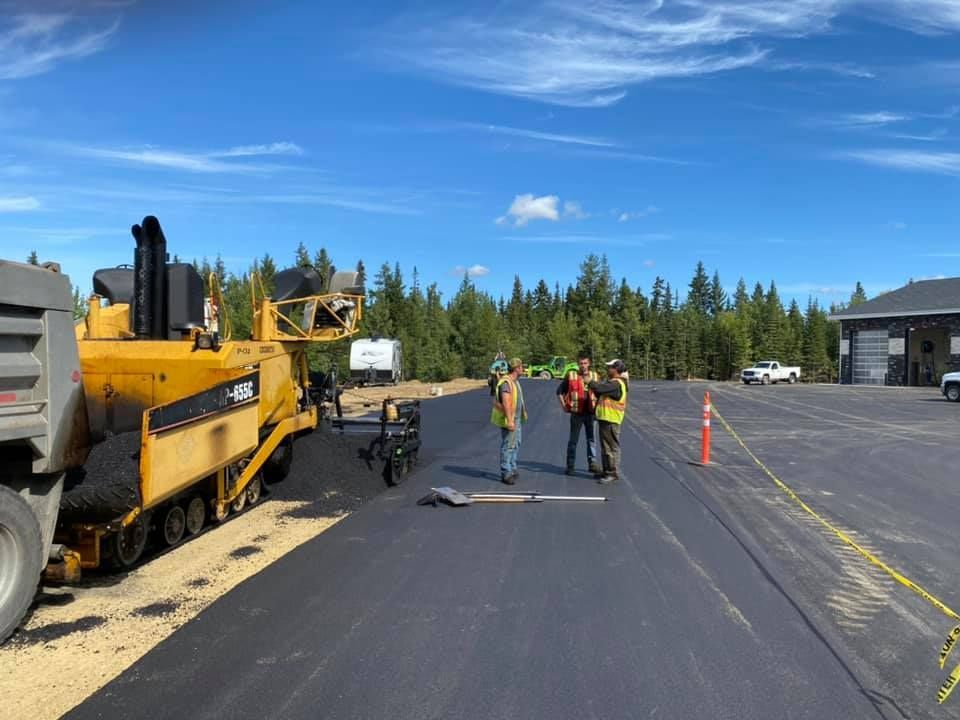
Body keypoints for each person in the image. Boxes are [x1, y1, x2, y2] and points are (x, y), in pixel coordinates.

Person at [555, 352, 601, 475]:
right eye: (581, 363)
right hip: (577, 414)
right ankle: (570, 466)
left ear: (589, 363)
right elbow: (559, 391)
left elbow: (600, 394)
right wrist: (564, 406)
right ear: (577, 364)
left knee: (591, 439)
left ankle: (592, 464)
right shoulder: (571, 376)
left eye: (585, 363)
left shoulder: (595, 376)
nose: (583, 366)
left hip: (591, 413)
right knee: (573, 440)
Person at [588, 359, 628, 485]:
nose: (607, 369)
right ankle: (607, 471)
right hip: (606, 418)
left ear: (616, 369)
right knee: (605, 447)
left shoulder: (616, 384)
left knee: (611, 448)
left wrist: (590, 382)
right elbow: (600, 392)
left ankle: (612, 472)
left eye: (610, 367)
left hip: (611, 419)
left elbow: (600, 388)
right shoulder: (612, 383)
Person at [491, 357, 527, 484]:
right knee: (508, 446)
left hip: (516, 418)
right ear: (517, 368)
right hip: (510, 418)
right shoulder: (506, 382)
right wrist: (510, 420)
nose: (523, 369)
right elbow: (506, 402)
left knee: (516, 443)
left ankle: (512, 468)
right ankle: (506, 472)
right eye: (522, 367)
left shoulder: (515, 381)